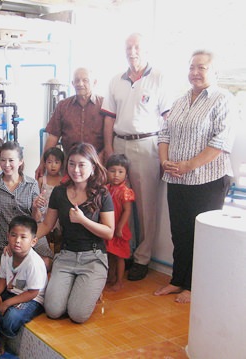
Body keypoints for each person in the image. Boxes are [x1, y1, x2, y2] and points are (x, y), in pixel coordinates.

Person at [154, 50, 237, 304]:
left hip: (208, 181)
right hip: (177, 180)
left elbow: (221, 142)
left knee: (201, 235)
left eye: (202, 68)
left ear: (214, 72)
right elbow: (164, 134)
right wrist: (165, 161)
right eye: (192, 67)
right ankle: (177, 280)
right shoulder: (180, 101)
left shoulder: (224, 100)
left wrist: (189, 165)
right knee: (179, 233)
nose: (195, 72)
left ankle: (195, 286)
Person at [101, 32, 173, 281]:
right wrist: (109, 149)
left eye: (137, 47)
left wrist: (165, 156)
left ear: (146, 50)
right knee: (118, 202)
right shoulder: (115, 80)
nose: (132, 51)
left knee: (145, 206)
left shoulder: (160, 78)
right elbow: (109, 117)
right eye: (128, 47)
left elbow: (167, 120)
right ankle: (125, 253)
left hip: (147, 145)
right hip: (120, 145)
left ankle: (143, 257)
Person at [36, 143, 114, 323]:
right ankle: (79, 288)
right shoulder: (59, 192)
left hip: (93, 257)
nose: (75, 169)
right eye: (71, 164)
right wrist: (27, 240)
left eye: (81, 165)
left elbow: (109, 232)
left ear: (92, 167)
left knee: (77, 315)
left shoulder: (102, 194)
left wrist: (83, 220)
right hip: (66, 255)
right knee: (53, 311)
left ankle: (92, 288)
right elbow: (47, 224)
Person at [0, 141, 53, 270]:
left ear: (20, 161)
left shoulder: (31, 184)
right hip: (7, 240)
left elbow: (36, 219)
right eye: (3, 160)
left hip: (31, 236)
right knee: (11, 269)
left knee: (44, 264)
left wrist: (36, 207)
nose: (6, 165)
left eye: (11, 160)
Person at [36, 67, 104, 179]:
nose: (80, 84)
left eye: (85, 80)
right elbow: (53, 137)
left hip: (98, 165)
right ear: (72, 83)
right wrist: (43, 162)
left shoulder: (104, 105)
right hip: (71, 166)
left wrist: (100, 160)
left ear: (94, 82)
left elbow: (110, 138)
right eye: (77, 80)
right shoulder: (63, 106)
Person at [0, 215, 47, 339]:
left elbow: (33, 293)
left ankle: (3, 339)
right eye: (13, 235)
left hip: (32, 299)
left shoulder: (34, 263)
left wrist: (7, 303)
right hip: (11, 291)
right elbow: (2, 278)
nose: (17, 240)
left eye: (23, 237)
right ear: (7, 236)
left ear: (33, 241)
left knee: (11, 317)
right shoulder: (7, 254)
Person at [105, 154, 135, 292]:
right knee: (110, 253)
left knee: (120, 256)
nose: (116, 175)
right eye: (112, 171)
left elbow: (127, 211)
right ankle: (110, 277)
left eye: (120, 172)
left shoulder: (125, 192)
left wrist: (120, 227)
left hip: (119, 229)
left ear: (126, 175)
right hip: (108, 227)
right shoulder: (106, 189)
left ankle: (119, 281)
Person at [36, 147, 64, 253]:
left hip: (58, 216)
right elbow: (35, 196)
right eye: (49, 162)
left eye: (56, 162)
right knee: (45, 240)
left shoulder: (63, 181)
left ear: (61, 164)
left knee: (59, 240)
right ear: (44, 163)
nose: (53, 165)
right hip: (44, 215)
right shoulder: (41, 180)